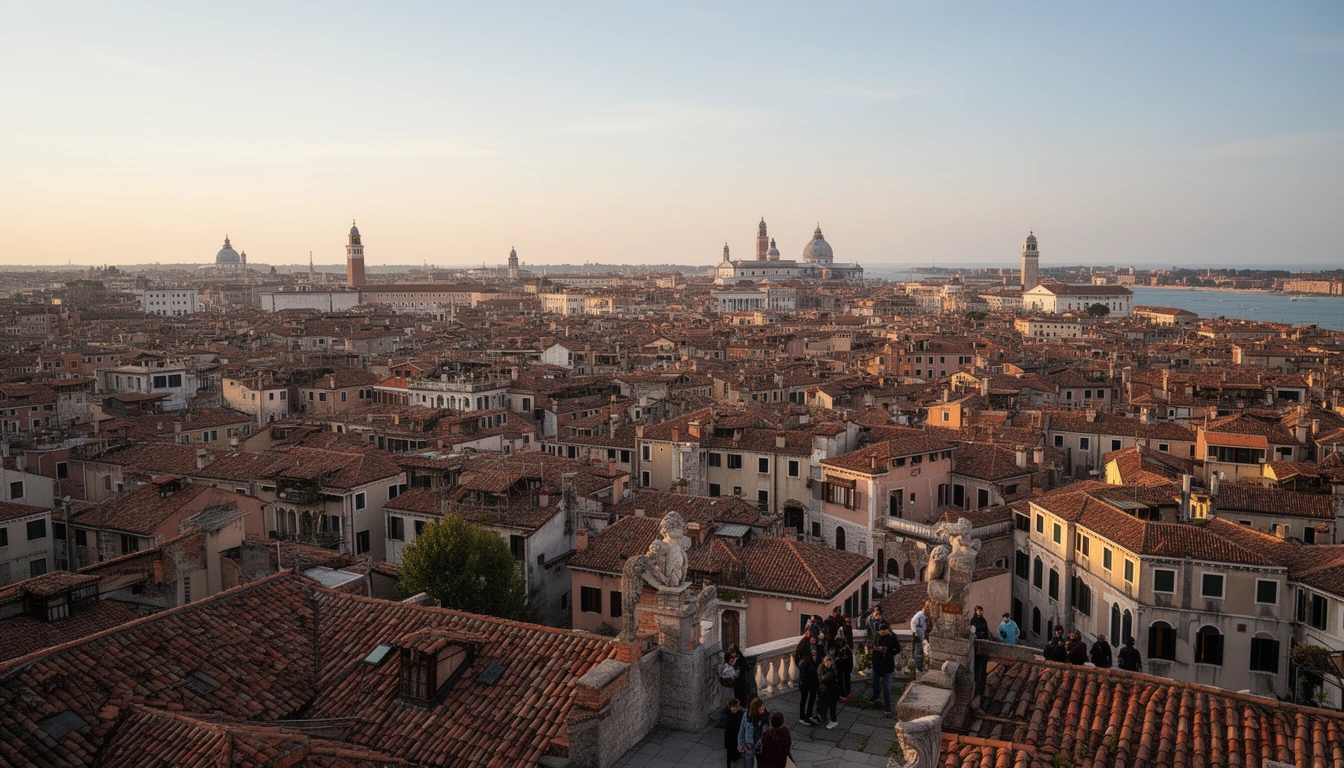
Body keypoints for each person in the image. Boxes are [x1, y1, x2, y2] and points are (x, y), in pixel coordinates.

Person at [871, 621, 901, 716]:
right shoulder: (876, 636)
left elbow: (898, 649)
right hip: (877, 663)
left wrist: (888, 651)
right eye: (881, 630)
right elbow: (873, 645)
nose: (883, 632)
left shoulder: (892, 637)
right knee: (875, 682)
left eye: (885, 630)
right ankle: (875, 696)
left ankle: (887, 706)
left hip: (887, 665)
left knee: (887, 687)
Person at [738, 698, 769, 768]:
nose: (762, 709)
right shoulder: (746, 716)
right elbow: (742, 730)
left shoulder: (765, 717)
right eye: (760, 709)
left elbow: (766, 733)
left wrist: (761, 743)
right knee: (749, 765)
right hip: (749, 746)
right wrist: (740, 743)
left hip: (760, 747)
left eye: (763, 707)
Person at [817, 653, 841, 729]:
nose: (828, 663)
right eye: (826, 661)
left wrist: (830, 671)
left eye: (829, 661)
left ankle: (834, 721)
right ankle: (823, 717)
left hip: (832, 691)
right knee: (825, 705)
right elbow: (822, 679)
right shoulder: (821, 667)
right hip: (824, 691)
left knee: (832, 706)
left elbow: (835, 678)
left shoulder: (833, 668)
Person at [797, 646, 819, 725]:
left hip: (811, 685)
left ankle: (809, 714)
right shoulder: (806, 664)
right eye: (813, 654)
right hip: (806, 685)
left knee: (811, 699)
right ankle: (802, 718)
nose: (815, 656)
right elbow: (806, 676)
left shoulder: (812, 662)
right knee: (804, 700)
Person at [724, 699, 745, 768]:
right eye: (734, 707)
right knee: (730, 752)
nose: (736, 709)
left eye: (737, 707)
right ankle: (729, 764)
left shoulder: (741, 714)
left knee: (737, 749)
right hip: (730, 736)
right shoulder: (727, 715)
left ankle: (736, 758)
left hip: (738, 735)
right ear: (730, 707)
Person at [833, 635, 854, 702]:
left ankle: (843, 694)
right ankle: (847, 692)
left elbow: (842, 659)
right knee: (845, 680)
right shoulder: (845, 649)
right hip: (844, 668)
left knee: (842, 681)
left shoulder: (843, 649)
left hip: (842, 668)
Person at [910, 602, 930, 672]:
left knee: (923, 651)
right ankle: (919, 667)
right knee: (919, 651)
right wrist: (915, 633)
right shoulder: (919, 615)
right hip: (918, 635)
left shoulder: (927, 616)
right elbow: (913, 623)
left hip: (924, 635)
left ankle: (921, 666)